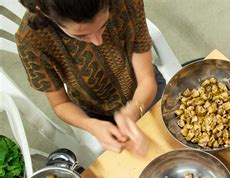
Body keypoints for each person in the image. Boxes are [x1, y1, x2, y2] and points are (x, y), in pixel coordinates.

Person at [16, 0, 166, 155]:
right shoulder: (32, 41)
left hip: (145, 90)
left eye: (104, 24)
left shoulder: (127, 3)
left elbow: (146, 77)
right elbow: (60, 104)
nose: (97, 41)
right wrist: (92, 125)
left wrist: (136, 107)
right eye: (81, 36)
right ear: (45, 13)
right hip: (95, 110)